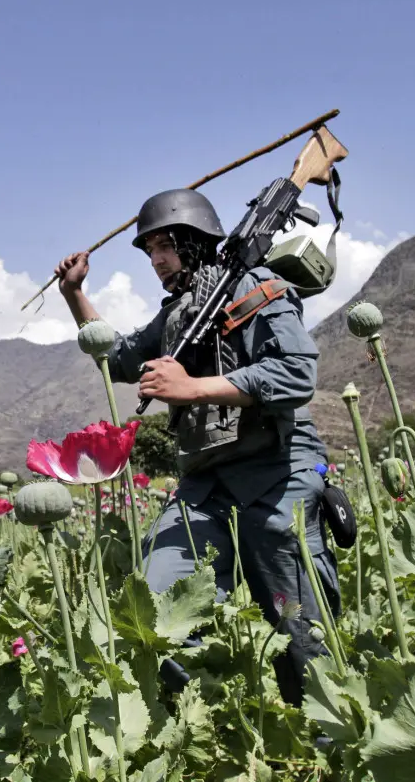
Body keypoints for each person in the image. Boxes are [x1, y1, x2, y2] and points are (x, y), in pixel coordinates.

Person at [53, 187, 339, 707]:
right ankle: (208, 724)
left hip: (277, 474)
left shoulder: (259, 287)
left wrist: (192, 387)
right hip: (205, 484)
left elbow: (297, 374)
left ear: (195, 240)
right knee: (157, 613)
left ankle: (319, 745)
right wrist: (75, 294)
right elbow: (117, 359)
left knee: (300, 635)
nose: (157, 260)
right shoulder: (179, 314)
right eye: (150, 251)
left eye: (165, 246)